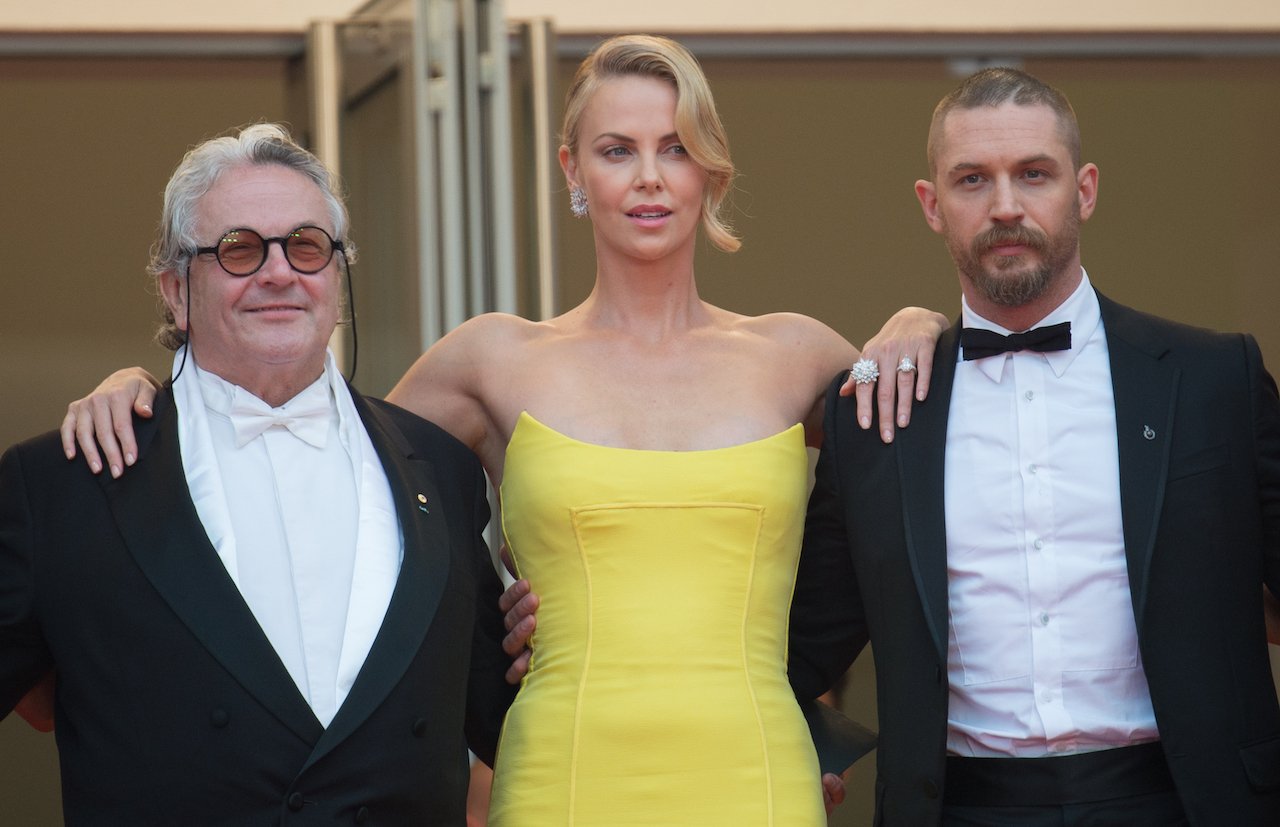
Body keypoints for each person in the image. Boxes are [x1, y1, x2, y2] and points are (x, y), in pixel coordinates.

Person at [50, 36, 948, 825]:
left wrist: (920, 324)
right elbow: (304, 441)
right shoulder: (491, 359)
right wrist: (148, 384)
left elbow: (928, 477)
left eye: (675, 148)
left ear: (710, 170)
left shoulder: (795, 354)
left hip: (757, 774)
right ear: (570, 170)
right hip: (559, 772)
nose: (647, 176)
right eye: (616, 149)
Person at [788, 67, 1280, 826]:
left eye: (1033, 174)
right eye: (973, 180)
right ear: (932, 204)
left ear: (1083, 190)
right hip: (960, 808)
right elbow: (794, 648)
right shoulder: (875, 416)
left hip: (1187, 801)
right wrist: (792, 757)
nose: (1006, 206)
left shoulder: (1218, 379)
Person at [0, 124, 518, 824]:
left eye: (306, 246)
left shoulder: (444, 469)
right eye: (239, 249)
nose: (280, 272)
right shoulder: (61, 484)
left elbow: (509, 722)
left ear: (338, 275)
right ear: (176, 292)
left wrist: (564, 629)